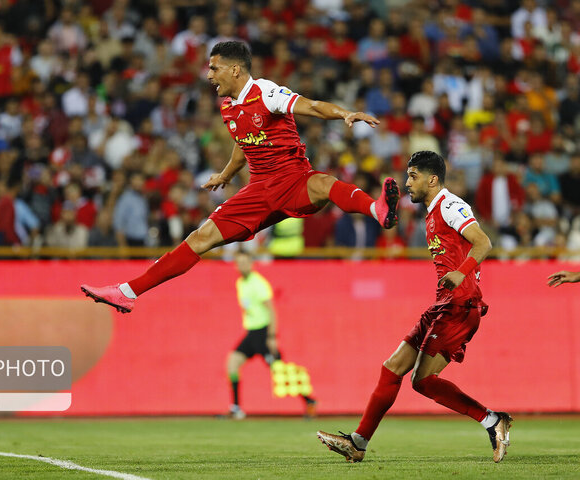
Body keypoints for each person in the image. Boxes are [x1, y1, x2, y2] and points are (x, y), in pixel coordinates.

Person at [81, 41, 399, 312]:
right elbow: (242, 142)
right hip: (259, 190)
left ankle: (378, 209)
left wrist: (344, 113)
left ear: (234, 70)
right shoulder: (228, 107)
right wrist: (225, 174)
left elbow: (312, 106)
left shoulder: (267, 92)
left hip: (293, 180)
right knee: (200, 238)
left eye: (214, 68)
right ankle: (128, 292)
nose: (208, 75)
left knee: (325, 184)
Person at [317, 151, 512, 463]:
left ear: (432, 179)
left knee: (421, 381)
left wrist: (460, 273)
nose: (408, 183)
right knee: (392, 367)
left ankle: (492, 420)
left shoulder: (450, 204)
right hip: (443, 304)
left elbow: (483, 242)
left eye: (413, 176)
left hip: (460, 304)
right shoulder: (433, 211)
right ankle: (358, 442)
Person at [227, 250, 316, 419]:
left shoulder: (258, 284)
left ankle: (309, 400)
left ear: (251, 264)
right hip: (251, 334)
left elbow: (272, 310)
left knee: (279, 372)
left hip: (262, 333)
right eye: (239, 262)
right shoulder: (241, 283)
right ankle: (236, 408)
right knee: (232, 363)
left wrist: (272, 337)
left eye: (245, 262)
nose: (242, 265)